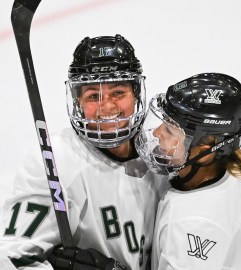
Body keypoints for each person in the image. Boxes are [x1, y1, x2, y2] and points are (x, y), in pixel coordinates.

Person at [0, 34, 167, 270]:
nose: (107, 106)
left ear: (136, 94)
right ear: (78, 101)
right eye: (93, 96)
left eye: (118, 92)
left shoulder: (164, 150)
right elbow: (12, 259)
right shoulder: (56, 162)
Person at [135, 73, 241, 269]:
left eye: (170, 131)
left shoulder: (191, 223)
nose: (157, 133)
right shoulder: (234, 166)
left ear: (205, 154)